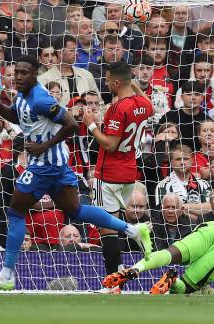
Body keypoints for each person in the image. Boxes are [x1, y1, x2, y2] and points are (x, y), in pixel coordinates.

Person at [0, 55, 152, 290]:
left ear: (35, 74)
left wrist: (42, 146)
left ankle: (7, 274)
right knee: (75, 211)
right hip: (53, 164)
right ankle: (131, 229)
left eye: (24, 73)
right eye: (16, 72)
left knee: (16, 211)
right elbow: (17, 116)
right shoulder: (21, 96)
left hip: (46, 164)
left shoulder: (41, 99)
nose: (18, 76)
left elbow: (71, 124)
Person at [81, 60, 154, 294]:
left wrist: (91, 125)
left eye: (107, 79)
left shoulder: (117, 108)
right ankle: (120, 270)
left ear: (115, 82)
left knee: (106, 228)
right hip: (129, 172)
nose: (105, 83)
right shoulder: (144, 104)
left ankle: (112, 283)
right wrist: (132, 82)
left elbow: (110, 145)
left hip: (109, 172)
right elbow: (148, 102)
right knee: (113, 223)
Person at [102, 221, 214, 296]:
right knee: (186, 289)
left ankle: (136, 268)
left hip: (209, 228)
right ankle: (172, 279)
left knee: (169, 254)